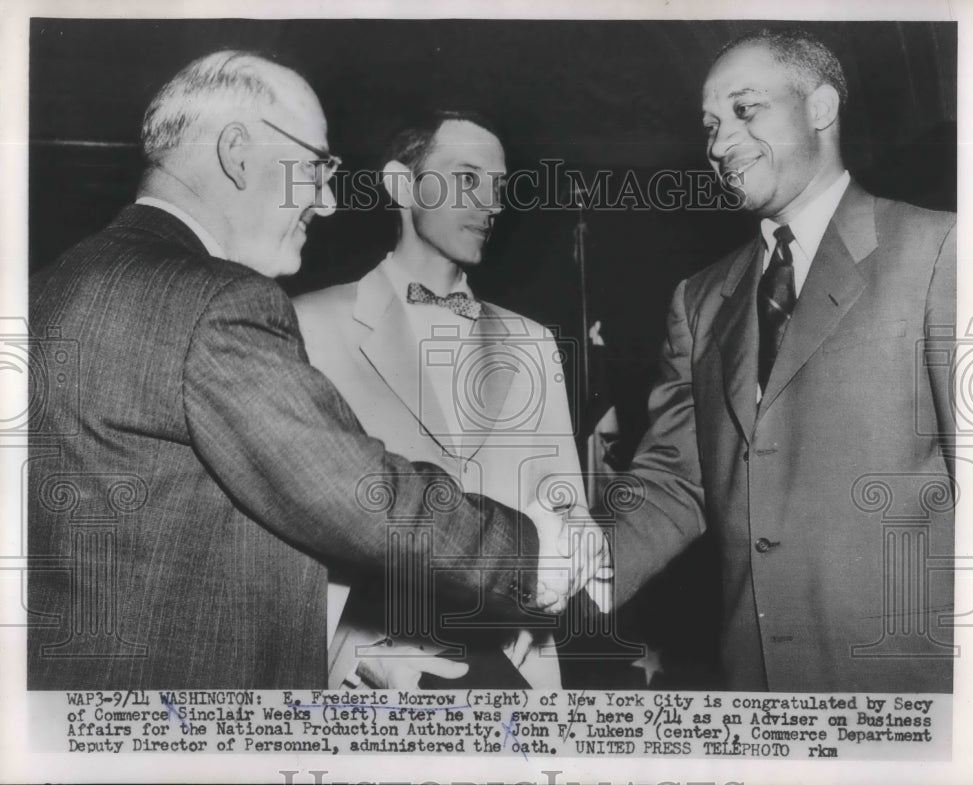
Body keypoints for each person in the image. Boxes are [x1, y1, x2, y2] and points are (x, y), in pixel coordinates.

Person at [27, 52, 593, 690]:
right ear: (238, 153)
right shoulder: (220, 304)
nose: (325, 202)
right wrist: (527, 556)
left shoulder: (42, 290)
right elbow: (346, 488)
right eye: (317, 167)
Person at [614, 29, 956, 692]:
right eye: (710, 124)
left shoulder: (939, 249)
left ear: (821, 108)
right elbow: (675, 483)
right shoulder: (699, 299)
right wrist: (570, 564)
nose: (718, 145)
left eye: (746, 111)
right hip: (757, 692)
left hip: (911, 688)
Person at [294, 110, 605, 688]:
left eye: (499, 186)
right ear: (399, 183)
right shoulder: (307, 326)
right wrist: (349, 651)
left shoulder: (533, 343)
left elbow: (567, 507)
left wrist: (578, 541)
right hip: (368, 682)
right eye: (467, 178)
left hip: (513, 671)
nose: (490, 203)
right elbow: (283, 536)